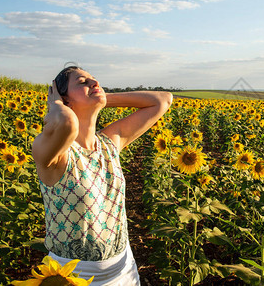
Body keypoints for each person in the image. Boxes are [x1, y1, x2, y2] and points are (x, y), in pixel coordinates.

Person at [32, 65, 173, 285]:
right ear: (64, 99)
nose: (93, 83)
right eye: (82, 82)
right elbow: (67, 124)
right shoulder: (55, 153)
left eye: (94, 79)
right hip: (71, 277)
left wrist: (101, 96)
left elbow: (162, 100)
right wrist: (57, 105)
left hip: (124, 270)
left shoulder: (109, 142)